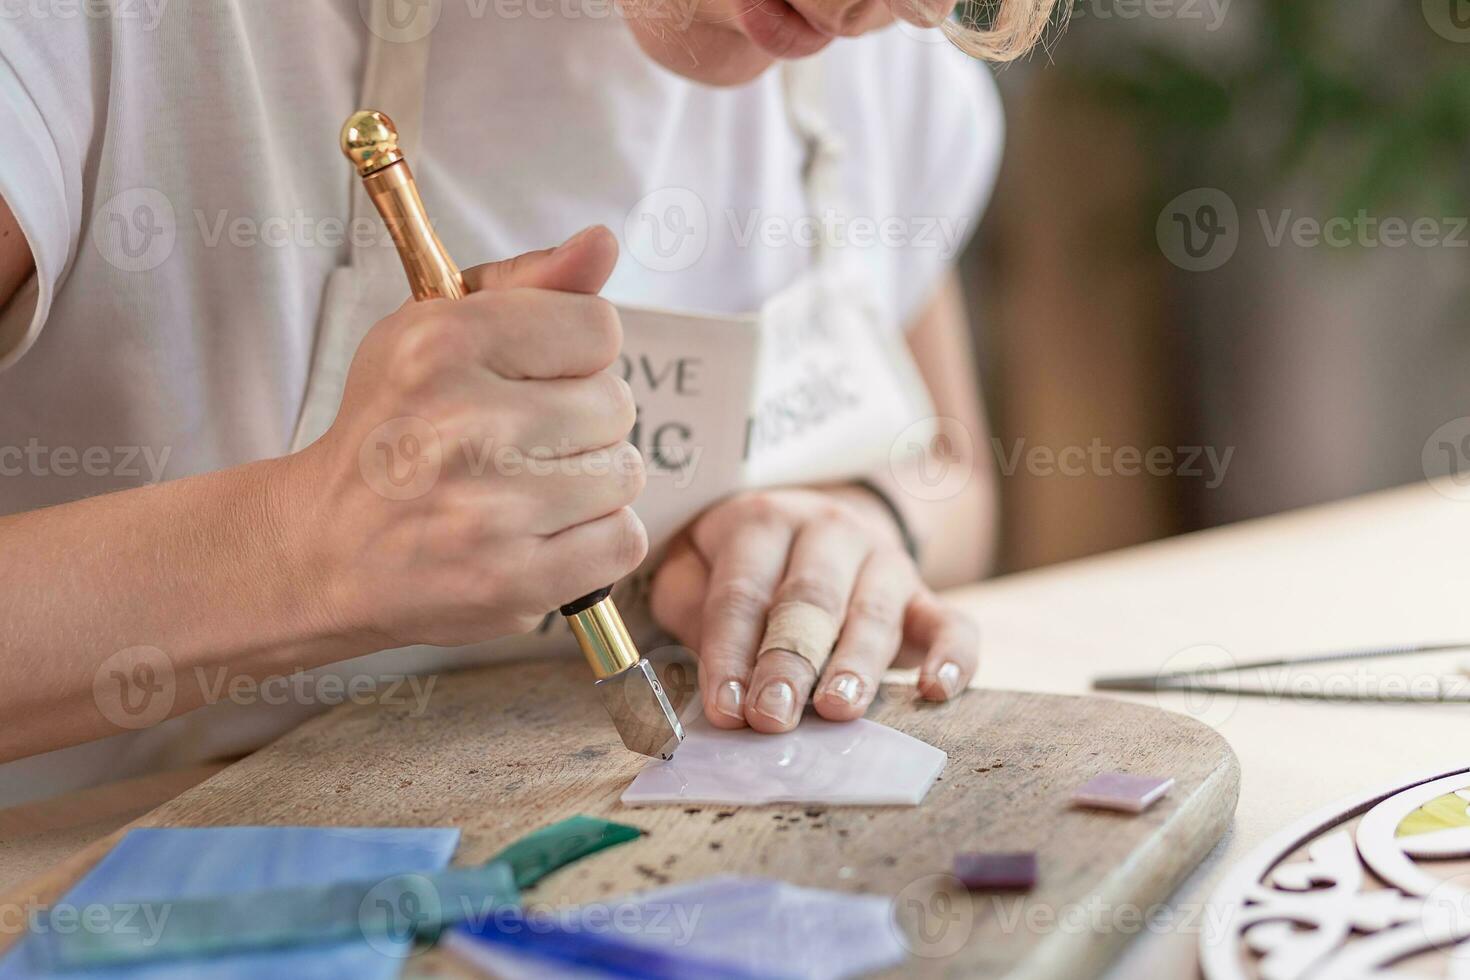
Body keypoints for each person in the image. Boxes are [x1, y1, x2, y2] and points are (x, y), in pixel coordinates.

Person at [0, 0, 1053, 805]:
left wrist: (862, 511)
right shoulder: (98, 36)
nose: (856, 12)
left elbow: (948, 466)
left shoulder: (881, 73)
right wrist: (297, 547)